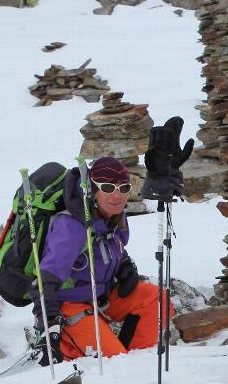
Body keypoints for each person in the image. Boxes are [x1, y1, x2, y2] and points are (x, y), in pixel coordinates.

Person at [36, 156, 174, 364]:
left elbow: (113, 249)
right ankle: (69, 344)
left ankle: (137, 360)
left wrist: (125, 267)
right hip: (69, 305)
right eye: (108, 187)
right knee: (113, 359)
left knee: (158, 300)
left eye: (124, 187)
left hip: (101, 298)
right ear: (92, 189)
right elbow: (46, 278)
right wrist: (49, 324)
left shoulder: (116, 216)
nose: (117, 195)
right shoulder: (72, 226)